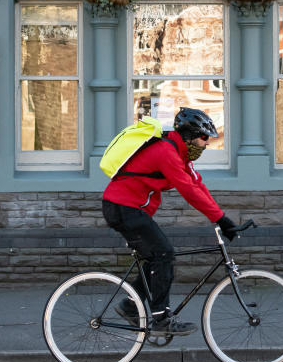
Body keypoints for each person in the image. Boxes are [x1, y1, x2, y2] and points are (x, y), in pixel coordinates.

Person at [102, 107, 239, 336]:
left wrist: (222, 217)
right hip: (122, 208)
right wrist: (220, 219)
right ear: (189, 135)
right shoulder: (166, 152)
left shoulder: (179, 153)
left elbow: (197, 185)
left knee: (155, 258)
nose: (206, 144)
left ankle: (130, 305)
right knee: (164, 253)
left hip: (128, 209)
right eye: (204, 138)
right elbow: (188, 191)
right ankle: (161, 320)